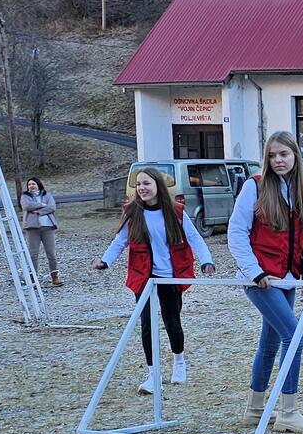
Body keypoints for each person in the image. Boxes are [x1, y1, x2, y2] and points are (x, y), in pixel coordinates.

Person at [92, 166, 214, 392]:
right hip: (144, 277)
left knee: (172, 322)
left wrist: (207, 260)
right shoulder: (133, 213)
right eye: (138, 184)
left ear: (158, 185)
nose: (142, 188)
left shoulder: (176, 212)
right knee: (147, 325)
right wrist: (105, 261)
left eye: (146, 183)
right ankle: (152, 374)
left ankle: (179, 362)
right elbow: (120, 242)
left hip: (170, 277)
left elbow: (195, 238)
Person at [228, 131, 303, 433]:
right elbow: (237, 232)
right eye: (272, 155)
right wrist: (255, 272)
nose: (278, 160)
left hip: (289, 278)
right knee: (294, 336)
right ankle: (288, 411)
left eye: (284, 154)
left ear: (295, 156)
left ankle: (254, 409)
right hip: (261, 279)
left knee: (271, 341)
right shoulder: (253, 186)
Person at [20, 177, 62, 286]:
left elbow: (52, 207)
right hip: (32, 228)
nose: (31, 186)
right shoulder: (25, 196)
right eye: (29, 184)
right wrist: (42, 205)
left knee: (51, 253)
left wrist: (38, 211)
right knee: (33, 254)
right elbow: (27, 206)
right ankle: (32, 278)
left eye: (33, 184)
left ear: (38, 184)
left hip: (48, 227)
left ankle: (55, 277)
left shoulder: (47, 195)